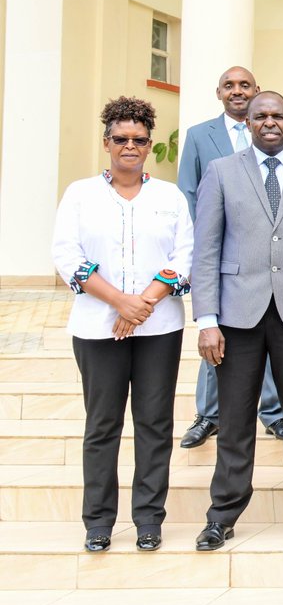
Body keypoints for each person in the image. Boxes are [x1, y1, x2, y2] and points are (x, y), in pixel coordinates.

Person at [191, 91, 283, 551]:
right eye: (261, 116)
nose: (269, 122)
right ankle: (223, 515)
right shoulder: (221, 172)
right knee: (235, 420)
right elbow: (206, 250)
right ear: (248, 122)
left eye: (277, 115)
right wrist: (207, 320)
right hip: (236, 316)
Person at [51, 97, 193, 552]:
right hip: (97, 327)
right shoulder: (80, 194)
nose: (129, 146)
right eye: (120, 139)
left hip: (159, 329)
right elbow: (67, 255)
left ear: (149, 145)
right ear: (106, 141)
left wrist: (143, 305)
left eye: (138, 139)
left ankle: (149, 519)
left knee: (154, 423)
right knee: (103, 425)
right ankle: (98, 523)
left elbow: (183, 256)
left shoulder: (169, 196)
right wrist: (119, 302)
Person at [176, 66, 283, 448]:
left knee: (272, 331)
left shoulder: (276, 128)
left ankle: (273, 413)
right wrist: (201, 249)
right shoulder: (198, 136)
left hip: (271, 257)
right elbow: (188, 195)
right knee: (216, 334)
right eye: (229, 85)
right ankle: (209, 415)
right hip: (224, 258)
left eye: (244, 85)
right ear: (218, 92)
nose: (237, 91)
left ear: (257, 91)